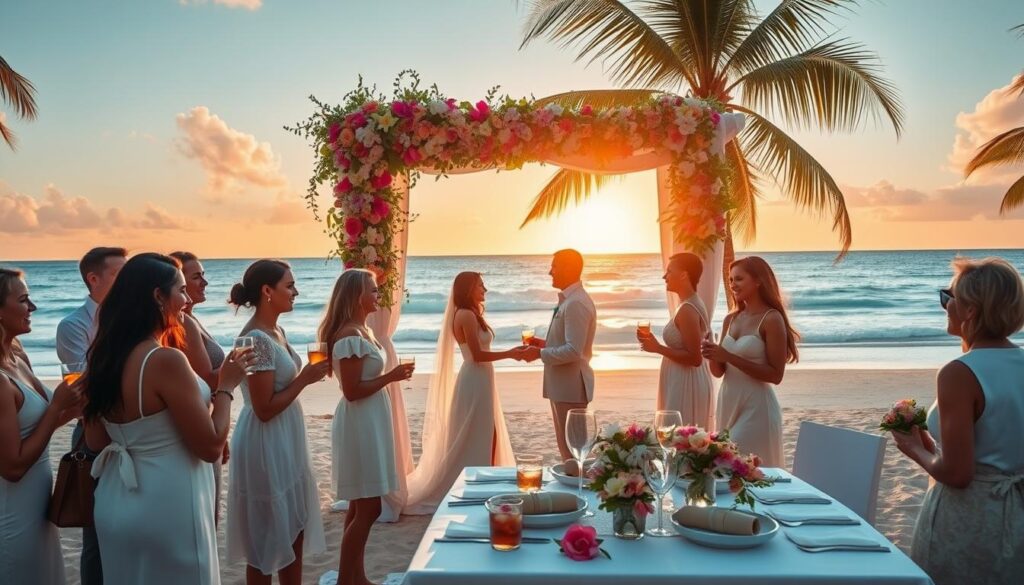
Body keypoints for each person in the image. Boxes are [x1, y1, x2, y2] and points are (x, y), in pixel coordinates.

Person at [82, 253, 251, 585]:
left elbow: (96, 441)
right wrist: (227, 386)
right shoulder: (164, 360)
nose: (187, 301)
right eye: (182, 291)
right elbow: (210, 447)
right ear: (158, 296)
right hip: (168, 501)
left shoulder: (104, 358)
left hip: (117, 500)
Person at [890, 257, 1024, 585]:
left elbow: (958, 474)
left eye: (948, 298)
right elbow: (997, 444)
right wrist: (931, 443)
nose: (944, 307)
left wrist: (912, 448)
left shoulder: (960, 373)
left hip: (971, 518)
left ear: (970, 311)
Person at [226, 259, 328, 585]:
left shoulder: (276, 331)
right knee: (265, 540)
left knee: (294, 527)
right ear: (267, 291)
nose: (296, 291)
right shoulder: (255, 339)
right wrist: (306, 379)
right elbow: (263, 408)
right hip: (265, 441)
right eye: (289, 285)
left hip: (286, 437)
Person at [319, 269, 414, 585]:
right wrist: (392, 376)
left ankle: (354, 577)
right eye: (373, 290)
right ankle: (349, 579)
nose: (378, 296)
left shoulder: (362, 331)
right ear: (355, 296)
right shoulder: (349, 337)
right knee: (369, 507)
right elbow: (352, 390)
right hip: (360, 424)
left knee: (360, 506)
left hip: (369, 420)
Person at [403, 272, 526, 514]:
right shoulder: (466, 315)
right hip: (475, 376)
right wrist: (511, 353)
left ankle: (488, 477)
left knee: (487, 430)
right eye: (481, 285)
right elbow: (477, 355)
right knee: (479, 431)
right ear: (469, 288)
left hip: (482, 377)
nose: (485, 290)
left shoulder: (473, 313)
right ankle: (478, 481)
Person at [0, 267, 82, 585]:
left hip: (38, 507)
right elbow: (12, 467)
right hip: (11, 512)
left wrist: (74, 409)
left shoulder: (17, 356)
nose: (32, 307)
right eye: (23, 300)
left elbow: (35, 428)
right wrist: (58, 407)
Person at [55, 245, 127, 585]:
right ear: (93, 279)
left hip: (133, 434)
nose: (126, 281)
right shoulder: (73, 325)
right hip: (92, 435)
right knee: (95, 536)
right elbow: (87, 390)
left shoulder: (131, 321)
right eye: (118, 274)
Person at [702, 256, 797, 467]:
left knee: (742, 466)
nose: (733, 285)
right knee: (728, 473)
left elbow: (775, 375)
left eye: (739, 279)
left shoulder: (771, 319)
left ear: (758, 281)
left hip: (757, 407)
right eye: (730, 280)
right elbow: (719, 372)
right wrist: (711, 354)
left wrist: (728, 356)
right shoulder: (731, 319)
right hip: (728, 401)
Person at [522, 249, 597, 474]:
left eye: (553, 266)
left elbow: (574, 351)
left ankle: (578, 497)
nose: (549, 272)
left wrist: (539, 354)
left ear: (566, 268)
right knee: (567, 450)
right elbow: (567, 343)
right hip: (562, 386)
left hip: (570, 386)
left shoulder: (576, 303)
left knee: (574, 452)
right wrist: (542, 344)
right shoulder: (570, 300)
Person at [169, 251, 228, 521]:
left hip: (211, 419)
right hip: (196, 426)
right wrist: (235, 369)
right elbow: (203, 379)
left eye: (203, 275)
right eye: (196, 277)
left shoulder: (192, 320)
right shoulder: (181, 326)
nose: (204, 282)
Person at [638, 252, 714, 429]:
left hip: (686, 382)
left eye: (669, 271)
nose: (664, 277)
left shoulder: (688, 308)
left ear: (684, 274)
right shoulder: (688, 303)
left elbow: (695, 358)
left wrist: (658, 348)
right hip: (680, 378)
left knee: (678, 438)